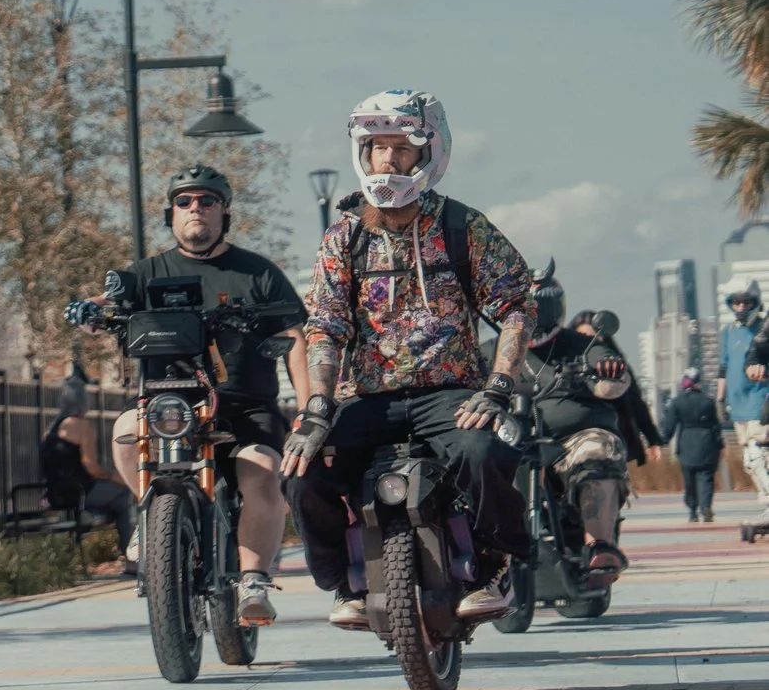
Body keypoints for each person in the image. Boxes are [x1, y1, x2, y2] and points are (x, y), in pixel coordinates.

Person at [283, 91, 537, 628]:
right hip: (367, 397)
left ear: (429, 154)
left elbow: (516, 303)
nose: (388, 159)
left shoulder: (463, 226)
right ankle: (343, 583)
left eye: (401, 147)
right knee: (301, 471)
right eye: (377, 147)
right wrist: (317, 407)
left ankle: (496, 564)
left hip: (450, 393)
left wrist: (497, 386)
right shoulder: (344, 236)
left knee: (483, 451)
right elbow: (325, 325)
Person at [85, 165, 309, 628]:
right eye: (184, 201)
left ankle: (254, 582)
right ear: (170, 213)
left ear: (224, 212)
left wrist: (309, 409)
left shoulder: (258, 273)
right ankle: (151, 516)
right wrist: (91, 312)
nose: (195, 209)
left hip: (243, 406)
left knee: (262, 469)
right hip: (168, 404)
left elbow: (295, 338)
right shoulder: (147, 272)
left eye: (207, 201)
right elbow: (111, 305)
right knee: (125, 430)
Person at [522, 274, 657, 576]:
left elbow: (614, 377)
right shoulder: (495, 351)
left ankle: (598, 544)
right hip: (514, 438)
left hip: (572, 441)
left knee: (599, 450)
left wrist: (610, 372)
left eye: (539, 306)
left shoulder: (583, 346)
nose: (532, 314)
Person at [40, 374, 136, 572]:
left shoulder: (50, 430)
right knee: (125, 495)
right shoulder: (83, 426)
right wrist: (115, 477)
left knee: (115, 500)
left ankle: (93, 516)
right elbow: (91, 467)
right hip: (79, 491)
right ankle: (132, 560)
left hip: (55, 493)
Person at [660, 372, 726, 522]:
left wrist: (662, 441)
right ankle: (706, 506)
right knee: (706, 478)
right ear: (697, 383)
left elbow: (669, 425)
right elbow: (716, 426)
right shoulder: (708, 401)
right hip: (707, 444)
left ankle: (692, 510)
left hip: (686, 444)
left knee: (689, 480)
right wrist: (720, 445)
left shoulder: (677, 402)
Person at [731, 280, 769, 504]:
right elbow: (758, 347)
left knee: (758, 455)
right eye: (737, 302)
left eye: (746, 302)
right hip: (744, 406)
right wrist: (753, 364)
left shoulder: (760, 323)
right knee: (753, 459)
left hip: (756, 402)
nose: (742, 307)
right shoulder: (730, 332)